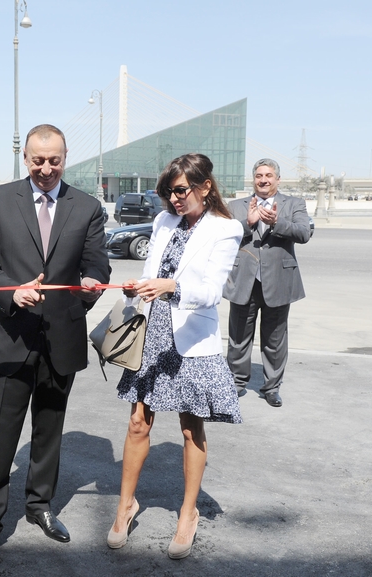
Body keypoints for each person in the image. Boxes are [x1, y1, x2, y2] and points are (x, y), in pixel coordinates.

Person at [0, 124, 110, 575]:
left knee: (49, 432)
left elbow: (96, 264)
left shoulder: (86, 207)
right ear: (24, 158)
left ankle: (39, 505)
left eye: (54, 160)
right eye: (37, 160)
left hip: (60, 339)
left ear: (65, 157)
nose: (46, 169)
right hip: (9, 337)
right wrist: (11, 291)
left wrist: (91, 287)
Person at [107, 153, 242, 560]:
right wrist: (140, 286)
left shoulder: (226, 228)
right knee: (136, 423)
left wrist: (170, 288)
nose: (174, 199)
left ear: (205, 186)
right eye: (168, 191)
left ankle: (188, 513)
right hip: (152, 331)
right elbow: (153, 268)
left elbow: (212, 291)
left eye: (181, 190)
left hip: (191, 336)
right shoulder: (165, 221)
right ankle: (124, 506)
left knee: (189, 429)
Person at [223, 158, 311, 407]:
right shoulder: (235, 206)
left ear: (277, 179)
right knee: (238, 337)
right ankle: (236, 383)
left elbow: (304, 233)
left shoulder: (294, 204)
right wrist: (248, 224)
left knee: (275, 339)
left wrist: (276, 223)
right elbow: (223, 236)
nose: (264, 180)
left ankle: (272, 387)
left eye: (269, 175)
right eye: (259, 175)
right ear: (254, 179)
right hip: (244, 281)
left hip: (279, 281)